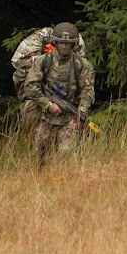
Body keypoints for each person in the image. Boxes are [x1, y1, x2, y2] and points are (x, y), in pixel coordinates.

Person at [20, 22, 93, 166]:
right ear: (55, 43)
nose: (64, 46)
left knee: (66, 157)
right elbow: (30, 86)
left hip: (69, 119)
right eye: (61, 43)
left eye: (67, 43)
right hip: (45, 117)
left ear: (73, 45)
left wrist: (80, 115)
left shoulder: (82, 65)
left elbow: (87, 92)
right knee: (39, 156)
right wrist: (48, 104)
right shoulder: (43, 61)